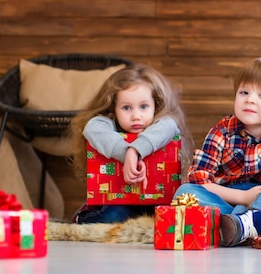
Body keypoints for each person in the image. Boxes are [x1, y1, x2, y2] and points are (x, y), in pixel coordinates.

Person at [173, 57, 261, 247]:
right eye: (244, 92)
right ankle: (257, 221)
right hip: (227, 196)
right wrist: (244, 198)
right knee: (185, 192)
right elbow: (199, 180)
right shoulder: (222, 131)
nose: (250, 99)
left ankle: (244, 223)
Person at [68, 64, 193, 224]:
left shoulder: (164, 124)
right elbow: (92, 126)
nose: (136, 116)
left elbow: (170, 124)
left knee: (173, 218)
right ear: (113, 109)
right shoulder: (106, 124)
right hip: (117, 203)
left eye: (143, 106)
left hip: (159, 201)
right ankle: (83, 219)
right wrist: (125, 152)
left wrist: (134, 151)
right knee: (113, 216)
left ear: (156, 105)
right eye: (126, 107)